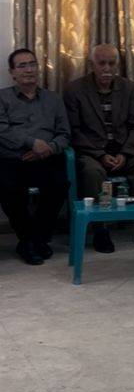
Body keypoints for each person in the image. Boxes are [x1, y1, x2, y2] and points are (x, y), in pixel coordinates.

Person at [64, 43, 134, 254]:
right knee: (92, 172)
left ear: (118, 65)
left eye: (111, 63)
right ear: (92, 65)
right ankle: (100, 229)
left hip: (123, 150)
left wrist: (125, 153)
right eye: (102, 63)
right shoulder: (75, 90)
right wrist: (100, 155)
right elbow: (74, 131)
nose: (107, 68)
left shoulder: (128, 87)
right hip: (91, 152)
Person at [0, 48, 70, 264]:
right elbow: (2, 131)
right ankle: (30, 239)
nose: (29, 70)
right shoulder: (2, 98)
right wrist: (32, 143)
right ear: (12, 72)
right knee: (7, 188)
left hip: (46, 158)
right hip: (13, 158)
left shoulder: (53, 99)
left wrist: (48, 148)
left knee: (59, 184)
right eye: (22, 66)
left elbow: (65, 134)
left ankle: (34, 239)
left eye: (32, 64)